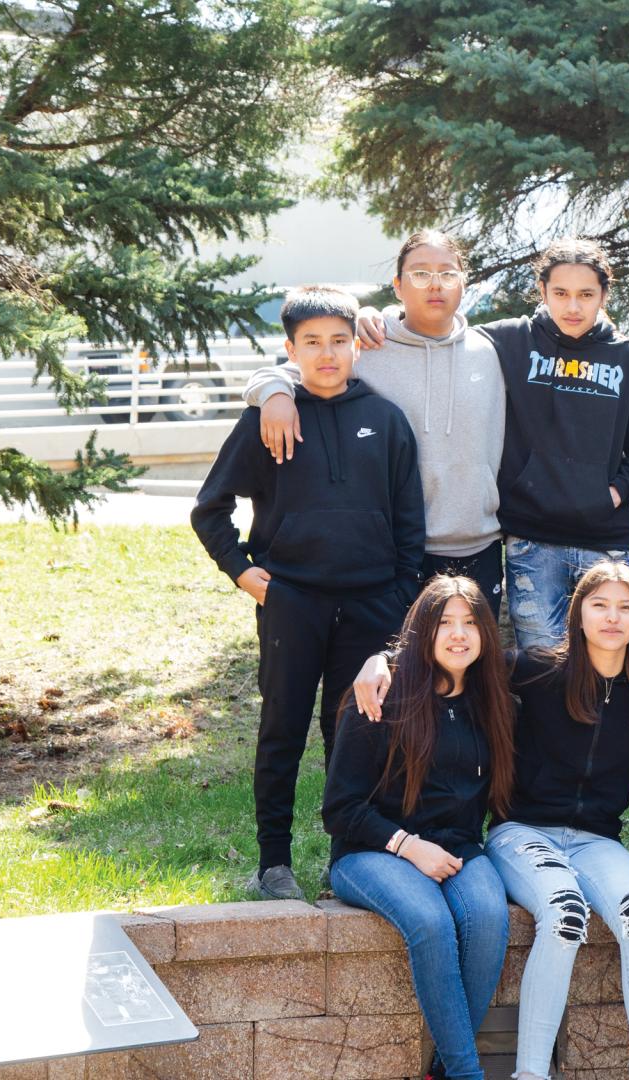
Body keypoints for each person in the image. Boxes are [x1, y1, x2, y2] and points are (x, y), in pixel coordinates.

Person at [352, 561, 629, 1080]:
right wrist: (382, 658)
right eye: (599, 605)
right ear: (578, 613)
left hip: (598, 842)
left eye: (625, 607)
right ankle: (530, 1073)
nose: (612, 618)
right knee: (566, 916)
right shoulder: (539, 668)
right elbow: (458, 651)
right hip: (523, 831)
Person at [192, 285, 423, 900]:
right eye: (312, 343)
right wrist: (242, 571)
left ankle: (349, 856)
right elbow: (209, 509)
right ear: (290, 348)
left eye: (339, 342)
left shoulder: (387, 420)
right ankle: (274, 862)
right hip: (292, 602)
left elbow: (409, 524)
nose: (328, 354)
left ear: (355, 347)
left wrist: (400, 597)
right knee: (284, 727)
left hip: (372, 604)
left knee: (355, 731)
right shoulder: (268, 416)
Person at [338, 237, 629, 642]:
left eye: (586, 294)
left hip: (604, 541)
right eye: (560, 293)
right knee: (542, 668)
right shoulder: (507, 341)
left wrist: (608, 496)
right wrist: (375, 316)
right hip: (531, 538)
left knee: (609, 660)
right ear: (542, 292)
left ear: (604, 295)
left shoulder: (628, 358)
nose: (573, 306)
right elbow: (429, 331)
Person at [245, 232, 509, 611]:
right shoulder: (369, 347)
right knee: (398, 666)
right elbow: (293, 369)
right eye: (420, 274)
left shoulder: (488, 353)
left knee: (471, 664)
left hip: (475, 541)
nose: (435, 285)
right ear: (398, 286)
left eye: (447, 274)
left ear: (463, 283)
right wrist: (274, 393)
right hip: (393, 549)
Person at [322, 576, 516, 1080]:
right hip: (370, 850)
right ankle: (468, 1073)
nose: (458, 634)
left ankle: (448, 1072)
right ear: (421, 631)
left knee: (490, 919)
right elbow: (339, 809)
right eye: (445, 622)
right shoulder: (381, 695)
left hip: (455, 848)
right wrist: (409, 847)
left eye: (470, 623)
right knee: (430, 924)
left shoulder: (490, 696)